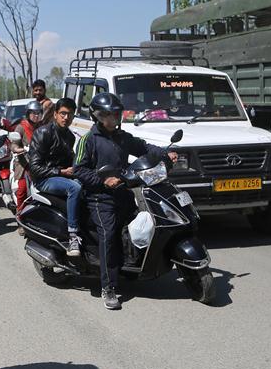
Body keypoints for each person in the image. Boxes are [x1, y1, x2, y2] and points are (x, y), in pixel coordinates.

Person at [74, 92, 177, 310]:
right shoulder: (88, 140)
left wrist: (166, 154)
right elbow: (79, 170)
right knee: (109, 237)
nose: (113, 119)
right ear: (97, 117)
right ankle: (108, 287)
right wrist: (103, 181)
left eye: (116, 115)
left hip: (124, 194)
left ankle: (130, 267)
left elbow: (145, 148)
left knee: (136, 228)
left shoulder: (123, 137)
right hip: (99, 198)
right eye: (107, 116)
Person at [26, 97, 82, 257]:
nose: (66, 117)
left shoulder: (70, 136)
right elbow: (35, 168)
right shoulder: (43, 133)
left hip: (60, 177)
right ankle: (72, 237)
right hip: (43, 180)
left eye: (70, 114)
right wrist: (61, 172)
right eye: (63, 113)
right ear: (55, 114)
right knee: (74, 188)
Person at [11, 100, 44, 214]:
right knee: (22, 189)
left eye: (38, 112)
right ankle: (19, 214)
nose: (36, 115)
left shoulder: (43, 126)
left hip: (41, 162)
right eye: (33, 113)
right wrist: (19, 149)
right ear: (28, 114)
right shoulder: (21, 127)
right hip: (24, 163)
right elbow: (14, 144)